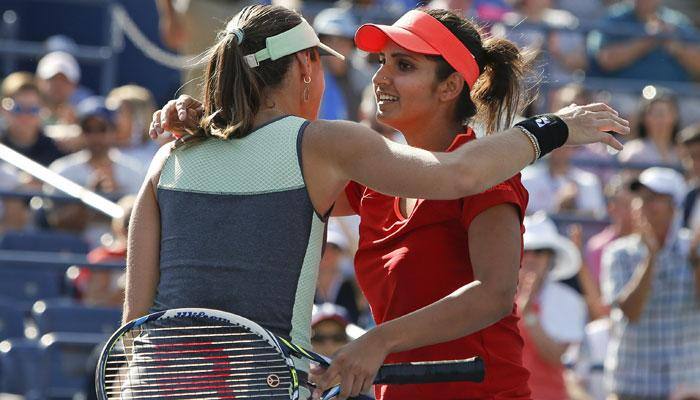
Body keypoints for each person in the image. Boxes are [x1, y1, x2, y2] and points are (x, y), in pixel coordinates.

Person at [148, 5, 628, 400]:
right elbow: (260, 185)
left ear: (448, 87)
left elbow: (495, 293)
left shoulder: (489, 176)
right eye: (381, 63)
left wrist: (377, 340)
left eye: (404, 65)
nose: (381, 78)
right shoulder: (369, 177)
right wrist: (209, 126)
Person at [601, 167, 700, 399]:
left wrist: (697, 263)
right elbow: (630, 311)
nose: (643, 206)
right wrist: (650, 258)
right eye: (640, 199)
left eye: (653, 199)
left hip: (684, 389)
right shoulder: (618, 253)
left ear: (674, 207)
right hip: (631, 386)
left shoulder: (694, 249)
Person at [518, 213, 587, 400]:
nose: (531, 257)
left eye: (539, 251)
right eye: (526, 249)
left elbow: (555, 357)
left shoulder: (567, 299)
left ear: (550, 258)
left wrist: (528, 314)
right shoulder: (494, 295)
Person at [587, 0, 700, 82]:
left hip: (675, 97)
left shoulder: (677, 21)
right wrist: (647, 40)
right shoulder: (614, 18)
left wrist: (677, 48)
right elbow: (605, 60)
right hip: (625, 95)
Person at [0, 72, 65, 167]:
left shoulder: (57, 150)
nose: (25, 116)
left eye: (33, 109)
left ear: (43, 109)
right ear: (3, 109)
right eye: (18, 108)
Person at [618, 88, 682, 168]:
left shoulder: (684, 152)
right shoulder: (633, 151)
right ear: (644, 118)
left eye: (662, 113)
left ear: (674, 116)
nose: (658, 119)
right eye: (653, 113)